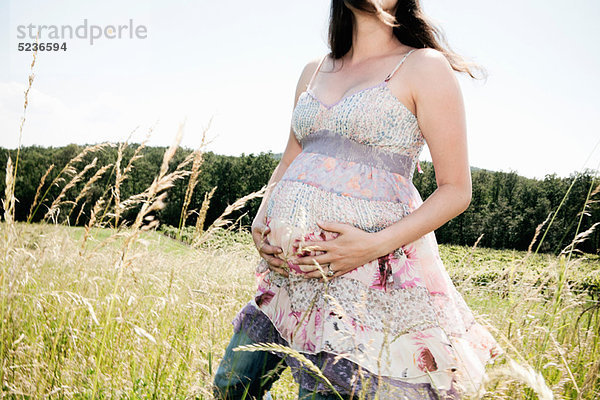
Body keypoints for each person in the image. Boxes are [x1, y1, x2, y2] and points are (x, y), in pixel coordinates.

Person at [213, 0, 504, 399]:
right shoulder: (314, 70)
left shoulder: (423, 66)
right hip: (287, 273)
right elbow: (292, 156)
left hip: (364, 277)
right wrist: (260, 219)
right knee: (233, 384)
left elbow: (456, 189)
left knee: (325, 395)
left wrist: (370, 246)